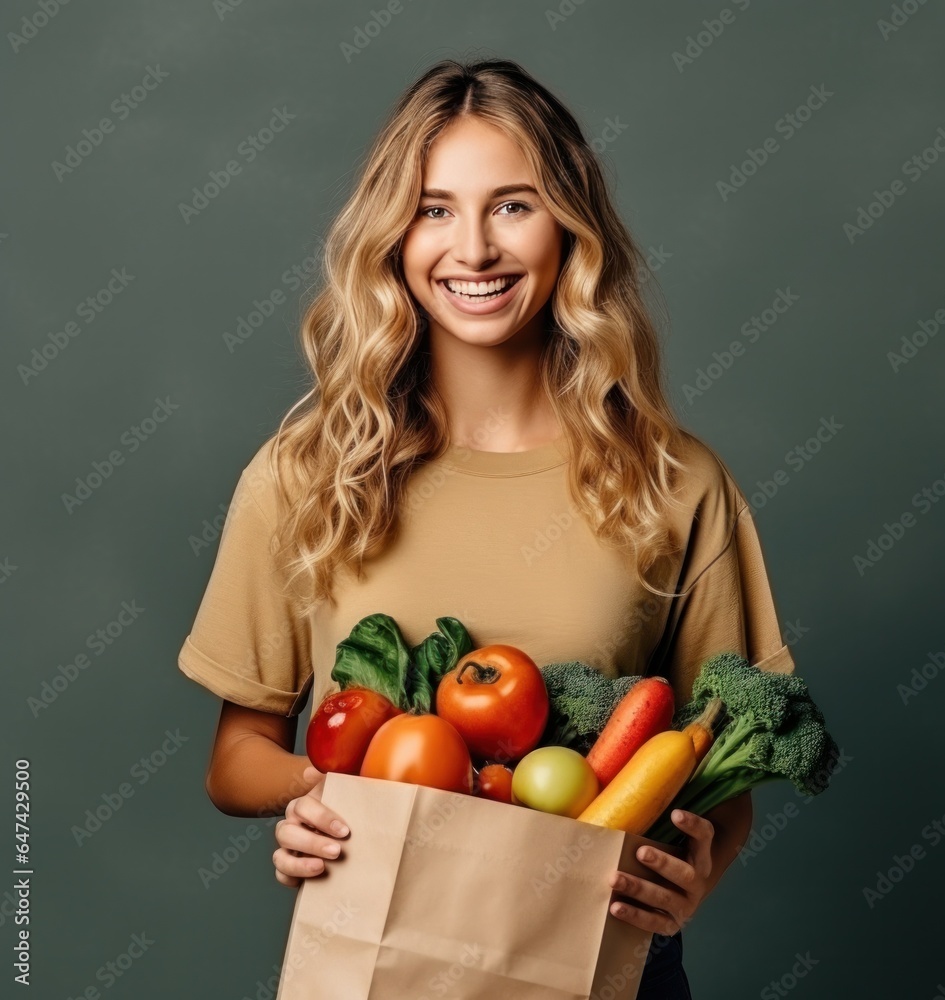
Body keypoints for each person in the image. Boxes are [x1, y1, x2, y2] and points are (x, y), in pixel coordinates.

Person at [177, 57, 796, 999]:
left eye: (513, 205)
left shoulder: (675, 483)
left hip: (603, 961)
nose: (473, 249)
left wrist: (692, 882)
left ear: (570, 230)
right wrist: (311, 797)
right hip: (382, 949)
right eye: (434, 209)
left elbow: (726, 760)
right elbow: (236, 757)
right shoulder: (308, 476)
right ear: (392, 236)